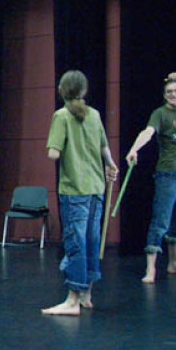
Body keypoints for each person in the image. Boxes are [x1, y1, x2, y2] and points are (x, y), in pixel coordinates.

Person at [42, 70, 118, 316]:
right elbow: (104, 147)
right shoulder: (94, 114)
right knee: (92, 240)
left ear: (61, 91)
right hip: (97, 187)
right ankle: (87, 295)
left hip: (75, 189)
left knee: (75, 241)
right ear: (84, 91)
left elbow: (53, 153)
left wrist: (62, 149)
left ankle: (73, 300)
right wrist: (111, 164)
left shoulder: (61, 116)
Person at [125, 71, 176, 283]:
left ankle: (174, 263)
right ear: (164, 96)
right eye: (169, 92)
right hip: (167, 176)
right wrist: (134, 149)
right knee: (160, 221)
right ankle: (151, 269)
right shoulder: (160, 114)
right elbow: (148, 132)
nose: (173, 94)